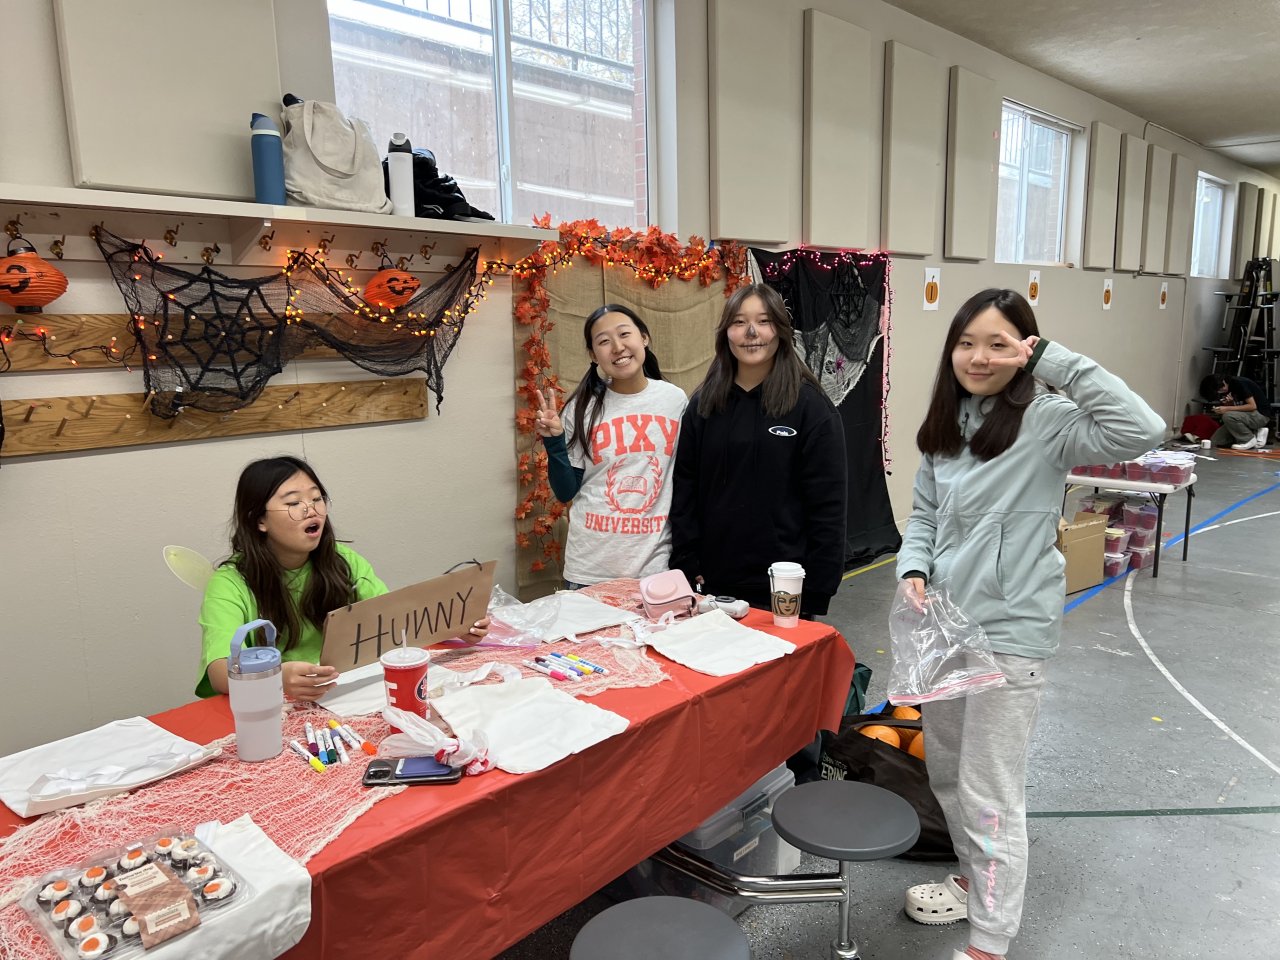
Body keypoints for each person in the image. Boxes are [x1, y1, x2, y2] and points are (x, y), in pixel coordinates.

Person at [896, 289, 1165, 960]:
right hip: (945, 628)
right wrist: (914, 566)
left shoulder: (1047, 420)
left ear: (1026, 350)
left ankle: (990, 940)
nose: (978, 357)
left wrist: (1055, 362)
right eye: (967, 343)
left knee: (989, 789)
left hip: (1009, 636)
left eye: (999, 344)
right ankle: (972, 879)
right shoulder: (949, 425)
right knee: (948, 773)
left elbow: (1143, 429)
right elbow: (925, 512)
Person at [196, 456, 489, 701]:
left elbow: (394, 620)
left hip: (344, 693)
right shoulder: (230, 582)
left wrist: (452, 625)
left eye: (316, 498)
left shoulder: (342, 561)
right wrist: (276, 678)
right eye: (294, 502)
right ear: (259, 520)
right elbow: (220, 672)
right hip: (271, 706)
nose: (311, 509)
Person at [669, 283, 846, 617]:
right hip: (715, 581)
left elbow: (828, 504)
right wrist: (686, 562)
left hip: (786, 586)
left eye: (764, 321)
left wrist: (818, 586)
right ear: (726, 333)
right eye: (739, 322)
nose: (752, 332)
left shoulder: (811, 407)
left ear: (781, 330)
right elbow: (685, 490)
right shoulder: (703, 405)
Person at [534, 304, 687, 587]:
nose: (617, 347)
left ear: (644, 338)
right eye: (604, 341)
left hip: (654, 568)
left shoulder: (674, 400)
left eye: (624, 334)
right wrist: (554, 442)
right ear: (594, 355)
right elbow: (566, 491)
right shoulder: (581, 408)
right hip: (589, 569)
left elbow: (686, 478)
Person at [1199, 372, 1270, 450]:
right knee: (1216, 441)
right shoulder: (1225, 389)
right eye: (1219, 391)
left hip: (1260, 415)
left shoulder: (1239, 383)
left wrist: (1226, 408)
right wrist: (1229, 404)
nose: (1222, 390)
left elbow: (1252, 406)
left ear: (1223, 382)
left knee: (1228, 416)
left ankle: (1248, 439)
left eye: (1221, 389)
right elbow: (1237, 410)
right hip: (1246, 415)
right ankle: (1255, 432)